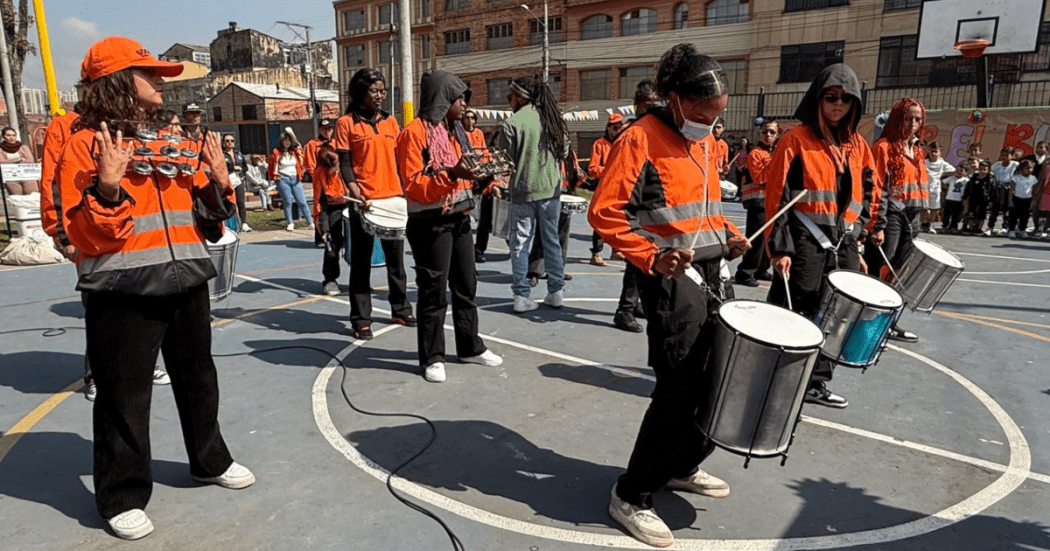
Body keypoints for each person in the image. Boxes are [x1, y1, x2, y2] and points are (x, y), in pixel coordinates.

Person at [55, 36, 254, 540]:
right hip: (121, 290)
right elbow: (83, 234)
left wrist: (217, 181)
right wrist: (107, 186)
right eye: (151, 74)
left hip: (186, 278)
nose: (162, 82)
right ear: (120, 82)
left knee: (199, 379)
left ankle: (208, 460)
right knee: (124, 395)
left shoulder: (170, 138)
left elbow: (210, 224)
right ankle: (121, 494)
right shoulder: (84, 142)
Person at [589, 44, 747, 548]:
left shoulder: (702, 143)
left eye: (717, 116)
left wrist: (729, 237)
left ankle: (680, 466)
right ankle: (632, 493)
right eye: (702, 114)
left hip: (714, 272)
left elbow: (703, 208)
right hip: (671, 280)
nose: (709, 124)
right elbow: (605, 212)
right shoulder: (640, 138)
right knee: (679, 387)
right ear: (675, 100)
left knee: (717, 377)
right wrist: (652, 258)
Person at [765, 63, 877, 409]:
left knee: (837, 314)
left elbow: (870, 190)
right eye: (831, 97)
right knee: (794, 308)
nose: (838, 105)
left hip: (843, 243)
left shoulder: (858, 145)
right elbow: (777, 198)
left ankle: (815, 382)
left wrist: (860, 235)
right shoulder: (795, 140)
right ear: (818, 98)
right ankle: (772, 374)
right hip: (803, 242)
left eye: (846, 99)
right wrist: (779, 248)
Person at [395, 69, 502, 383]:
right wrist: (453, 175)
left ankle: (470, 347)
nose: (464, 105)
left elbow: (464, 174)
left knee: (466, 286)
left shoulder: (457, 132)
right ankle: (432, 357)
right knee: (433, 292)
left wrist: (482, 180)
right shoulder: (413, 134)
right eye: (458, 98)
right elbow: (414, 185)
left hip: (459, 218)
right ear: (443, 99)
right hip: (429, 223)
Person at [333, 68, 415, 335]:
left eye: (383, 91)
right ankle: (360, 319)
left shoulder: (391, 122)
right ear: (360, 92)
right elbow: (345, 163)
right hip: (364, 202)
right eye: (374, 91)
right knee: (361, 261)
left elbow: (402, 160)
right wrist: (354, 188)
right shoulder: (346, 123)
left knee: (396, 261)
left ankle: (401, 309)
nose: (380, 96)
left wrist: (405, 190)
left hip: (392, 199)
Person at [498, 75, 569, 313]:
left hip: (523, 191)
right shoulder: (552, 118)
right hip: (550, 190)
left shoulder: (512, 124)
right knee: (551, 241)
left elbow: (506, 160)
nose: (509, 101)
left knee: (520, 244)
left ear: (520, 96)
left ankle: (521, 295)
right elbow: (565, 150)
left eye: (510, 96)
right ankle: (556, 291)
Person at [865, 97, 927, 344]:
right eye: (907, 118)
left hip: (913, 217)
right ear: (896, 119)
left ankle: (887, 320)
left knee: (899, 271)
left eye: (917, 119)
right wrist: (877, 225)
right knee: (881, 267)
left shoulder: (918, 150)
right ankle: (868, 319)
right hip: (890, 217)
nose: (912, 124)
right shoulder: (883, 148)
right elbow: (875, 188)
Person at [734, 119, 778, 287]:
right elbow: (760, 177)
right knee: (757, 238)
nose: (768, 135)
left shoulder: (773, 152)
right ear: (759, 134)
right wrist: (776, 165)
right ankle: (745, 272)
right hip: (757, 201)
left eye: (772, 132)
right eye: (765, 132)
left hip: (771, 201)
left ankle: (762, 269)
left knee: (768, 238)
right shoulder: (756, 153)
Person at [586, 113, 624, 266]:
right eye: (615, 127)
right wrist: (610, 171)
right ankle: (596, 253)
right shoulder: (599, 144)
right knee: (601, 220)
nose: (617, 130)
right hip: (604, 187)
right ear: (608, 128)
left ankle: (616, 249)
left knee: (619, 219)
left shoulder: (623, 143)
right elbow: (592, 169)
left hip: (620, 188)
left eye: (620, 128)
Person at [268, 130, 315, 232]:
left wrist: (294, 138)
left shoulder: (294, 151)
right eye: (285, 140)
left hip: (295, 178)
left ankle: (310, 222)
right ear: (281, 141)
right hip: (283, 179)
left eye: (289, 140)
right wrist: (274, 176)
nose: (287, 142)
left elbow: (301, 150)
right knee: (288, 201)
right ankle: (290, 223)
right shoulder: (276, 152)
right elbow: (271, 165)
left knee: (302, 201)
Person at [923, 141, 954, 233]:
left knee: (934, 208)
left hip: (936, 189)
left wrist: (944, 179)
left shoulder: (942, 163)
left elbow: (954, 170)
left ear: (939, 153)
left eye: (936, 152)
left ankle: (932, 225)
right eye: (932, 151)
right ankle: (923, 223)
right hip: (924, 188)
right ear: (928, 151)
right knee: (924, 208)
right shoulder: (924, 162)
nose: (933, 153)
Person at [987, 147, 1018, 235]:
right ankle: (990, 227)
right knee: (994, 209)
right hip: (997, 189)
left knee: (1007, 209)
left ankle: (1005, 227)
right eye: (1003, 155)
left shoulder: (1015, 165)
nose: (1004, 157)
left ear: (1012, 156)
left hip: (1009, 189)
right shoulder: (996, 165)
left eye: (1007, 155)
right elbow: (991, 176)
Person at [222, 134, 250, 231]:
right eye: (227, 141)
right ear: (223, 143)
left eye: (232, 141)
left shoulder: (238, 154)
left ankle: (244, 223)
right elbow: (220, 167)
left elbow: (245, 167)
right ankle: (231, 224)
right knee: (229, 202)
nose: (230, 143)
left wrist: (241, 170)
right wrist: (232, 168)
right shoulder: (222, 154)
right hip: (227, 181)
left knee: (241, 202)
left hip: (239, 180)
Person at [0, 126, 39, 195]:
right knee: (16, 198)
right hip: (10, 177)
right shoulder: (1, 149)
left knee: (33, 196)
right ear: (3, 137)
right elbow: (2, 162)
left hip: (27, 176)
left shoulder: (23, 147)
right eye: (8, 135)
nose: (11, 137)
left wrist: (9, 161)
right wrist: (19, 159)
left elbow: (30, 160)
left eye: (13, 135)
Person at [1007, 160, 1038, 238]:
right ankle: (1012, 230)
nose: (1029, 170)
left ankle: (1022, 230)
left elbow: (1034, 191)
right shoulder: (1016, 177)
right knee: (1013, 216)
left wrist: (1033, 201)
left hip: (1027, 200)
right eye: (1027, 168)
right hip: (1017, 199)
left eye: (1031, 168)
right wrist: (1010, 200)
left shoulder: (1033, 178)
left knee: (1025, 216)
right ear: (1022, 168)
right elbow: (1011, 190)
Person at [964, 160, 992, 234]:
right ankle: (970, 228)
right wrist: (966, 197)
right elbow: (968, 188)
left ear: (988, 170)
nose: (982, 171)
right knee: (971, 213)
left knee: (981, 214)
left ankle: (979, 229)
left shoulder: (990, 179)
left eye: (985, 169)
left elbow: (992, 190)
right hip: (973, 198)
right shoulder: (974, 177)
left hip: (983, 199)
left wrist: (990, 201)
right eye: (981, 169)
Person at [941, 165, 969, 233]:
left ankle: (954, 227)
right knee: (946, 214)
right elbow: (942, 182)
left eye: (961, 171)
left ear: (965, 173)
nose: (959, 172)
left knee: (955, 215)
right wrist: (946, 188)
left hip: (958, 200)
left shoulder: (966, 180)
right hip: (949, 199)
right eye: (957, 170)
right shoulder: (951, 178)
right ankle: (944, 226)